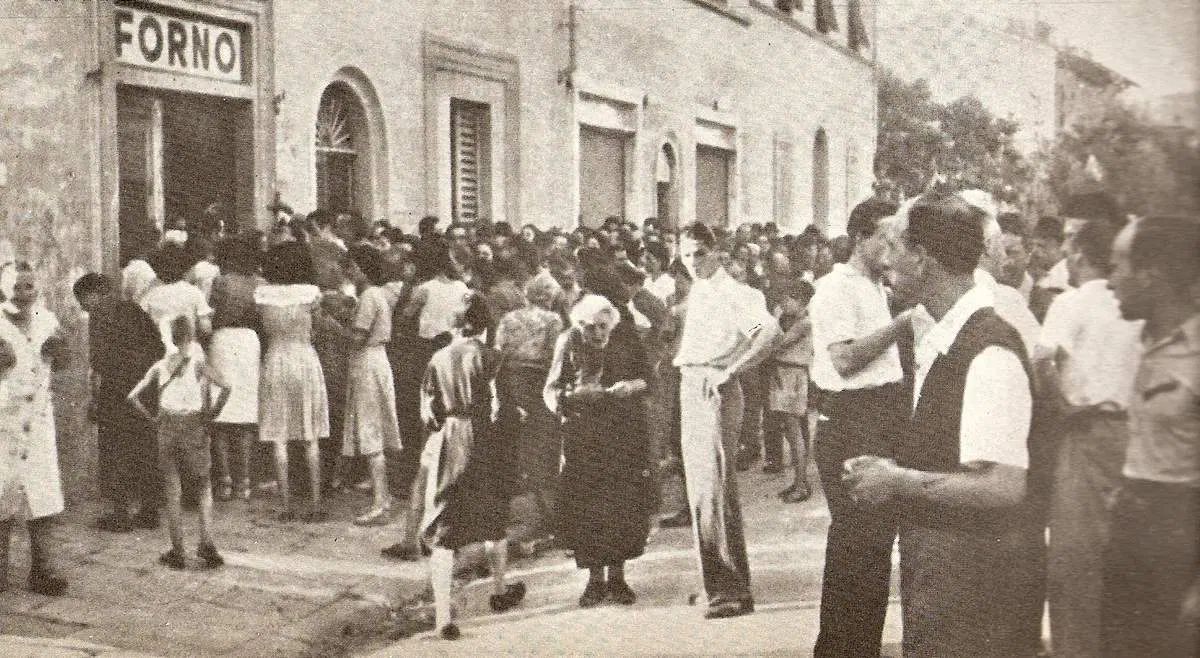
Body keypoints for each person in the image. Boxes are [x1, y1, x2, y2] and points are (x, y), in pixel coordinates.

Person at [845, 193, 1044, 657]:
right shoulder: (946, 335)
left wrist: (896, 481)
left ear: (923, 259)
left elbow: (1002, 486)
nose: (886, 260)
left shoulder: (988, 349)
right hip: (945, 575)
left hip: (974, 584)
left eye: (896, 246)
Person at [1035, 218, 1142, 658]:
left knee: (1075, 559)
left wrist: (1061, 407)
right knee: (1126, 556)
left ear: (1078, 255)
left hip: (1086, 432)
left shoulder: (1072, 303)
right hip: (1135, 435)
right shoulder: (1134, 304)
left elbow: (1042, 361)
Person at [808, 197, 907, 658]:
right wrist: (902, 325)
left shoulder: (875, 287)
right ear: (861, 237)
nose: (895, 243)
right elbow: (844, 359)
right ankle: (840, 650)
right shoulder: (835, 288)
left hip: (879, 416)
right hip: (851, 420)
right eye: (887, 234)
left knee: (872, 550)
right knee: (856, 545)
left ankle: (860, 648)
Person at [1102, 215, 1200, 658]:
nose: (1110, 282)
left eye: (1118, 266)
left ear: (1152, 274)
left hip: (1181, 532)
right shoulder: (1134, 342)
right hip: (1130, 526)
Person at [673, 223, 780, 619]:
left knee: (715, 488)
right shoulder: (700, 292)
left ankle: (731, 590)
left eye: (699, 253)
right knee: (701, 490)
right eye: (685, 254)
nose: (692, 262)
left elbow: (767, 333)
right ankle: (716, 584)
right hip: (691, 383)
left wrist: (732, 369)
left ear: (716, 251)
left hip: (713, 386)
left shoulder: (734, 294)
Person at [418, 295, 525, 640]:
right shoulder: (493, 358)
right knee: (494, 521)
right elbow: (505, 410)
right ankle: (498, 590)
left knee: (446, 531)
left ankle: (443, 616)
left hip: (452, 441)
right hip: (486, 441)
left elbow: (429, 414)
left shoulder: (437, 358)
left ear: (453, 324)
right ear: (485, 324)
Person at [546, 291, 655, 607]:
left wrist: (631, 386)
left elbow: (649, 378)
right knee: (588, 507)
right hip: (583, 436)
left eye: (602, 327)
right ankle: (594, 581)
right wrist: (572, 396)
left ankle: (618, 579)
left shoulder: (627, 340)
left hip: (623, 434)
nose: (596, 334)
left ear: (612, 323)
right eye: (590, 328)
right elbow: (551, 389)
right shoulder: (568, 341)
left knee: (622, 503)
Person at [128, 316, 232, 570]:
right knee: (203, 486)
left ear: (171, 338)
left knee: (172, 490)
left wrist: (152, 417)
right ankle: (206, 545)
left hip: (166, 425)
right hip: (193, 424)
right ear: (192, 336)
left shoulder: (160, 365)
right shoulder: (198, 363)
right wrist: (213, 414)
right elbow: (226, 387)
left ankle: (177, 551)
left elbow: (132, 396)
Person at [0, 263, 70, 595]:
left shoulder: (47, 319)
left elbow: (63, 359)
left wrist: (60, 352)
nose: (23, 293)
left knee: (43, 497)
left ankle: (44, 569)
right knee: (1, 495)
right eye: (16, 286)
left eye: (29, 286)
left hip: (39, 419)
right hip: (4, 422)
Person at [75, 273, 164, 531]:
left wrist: (97, 395)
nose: (82, 306)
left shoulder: (100, 316)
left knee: (115, 451)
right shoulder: (134, 309)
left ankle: (121, 515)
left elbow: (99, 359)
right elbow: (158, 347)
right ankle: (149, 512)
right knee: (145, 448)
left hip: (116, 391)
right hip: (144, 390)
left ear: (95, 294)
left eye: (82, 299)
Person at [256, 242, 330, 522]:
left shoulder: (263, 295)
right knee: (310, 436)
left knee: (279, 436)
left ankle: (285, 504)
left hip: (275, 359)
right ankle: (315, 503)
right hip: (305, 358)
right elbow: (319, 327)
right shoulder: (311, 294)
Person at [494, 270, 564, 549]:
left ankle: (523, 505)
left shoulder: (509, 319)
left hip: (512, 379)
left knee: (517, 439)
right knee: (543, 443)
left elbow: (499, 350)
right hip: (540, 381)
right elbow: (556, 355)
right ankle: (543, 510)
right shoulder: (553, 320)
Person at [340, 245, 403, 526]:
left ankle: (380, 501)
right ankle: (383, 495)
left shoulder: (368, 296)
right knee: (375, 428)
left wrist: (331, 323)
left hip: (367, 361)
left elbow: (356, 338)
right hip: (378, 360)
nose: (349, 272)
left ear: (362, 269)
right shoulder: (379, 295)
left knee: (370, 430)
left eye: (352, 267)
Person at [207, 237, 263, 502]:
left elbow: (214, 313)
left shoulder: (222, 282)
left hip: (223, 340)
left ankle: (225, 480)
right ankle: (245, 481)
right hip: (249, 342)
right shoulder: (259, 283)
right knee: (244, 418)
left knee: (221, 417)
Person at [768, 278, 815, 503]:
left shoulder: (805, 323)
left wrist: (772, 318)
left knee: (794, 431)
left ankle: (801, 483)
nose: (783, 304)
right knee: (790, 430)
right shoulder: (793, 320)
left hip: (792, 375)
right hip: (784, 374)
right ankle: (798, 481)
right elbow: (753, 332)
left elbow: (776, 343)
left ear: (800, 301)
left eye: (787, 300)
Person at [140, 242, 213, 354]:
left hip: (159, 353)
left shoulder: (150, 296)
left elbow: (142, 326)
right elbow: (205, 328)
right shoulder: (194, 292)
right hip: (187, 352)